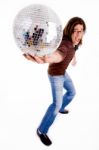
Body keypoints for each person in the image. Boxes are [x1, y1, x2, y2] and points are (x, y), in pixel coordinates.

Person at [23, 17, 86, 146]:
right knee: (55, 105)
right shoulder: (66, 43)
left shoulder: (75, 42)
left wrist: (74, 58)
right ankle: (41, 130)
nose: (79, 34)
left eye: (81, 31)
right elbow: (59, 54)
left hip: (63, 72)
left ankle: (62, 107)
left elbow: (74, 48)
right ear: (70, 30)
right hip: (56, 75)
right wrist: (47, 58)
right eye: (76, 30)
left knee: (72, 92)